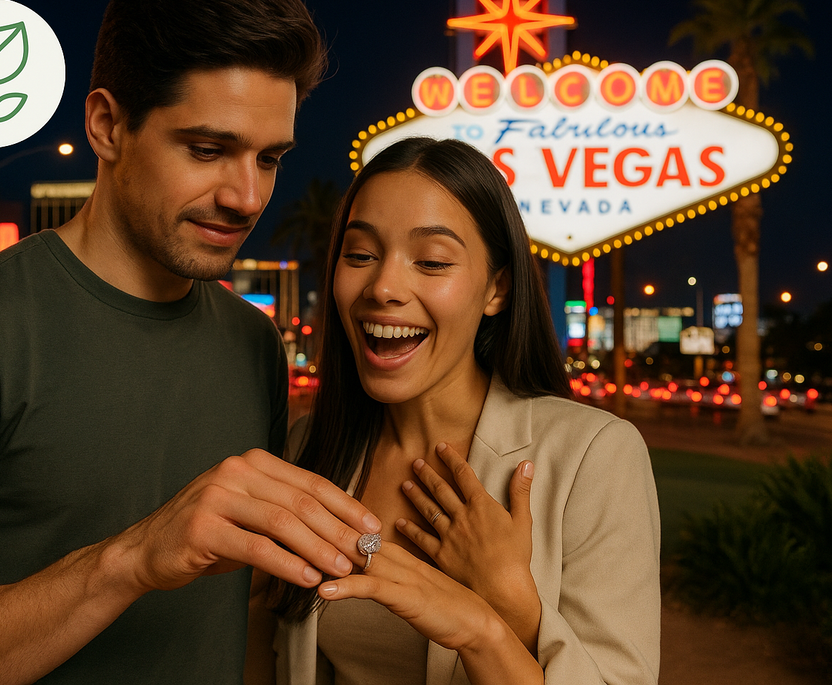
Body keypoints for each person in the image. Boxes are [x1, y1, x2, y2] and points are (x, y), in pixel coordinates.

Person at [0, 0, 382, 685]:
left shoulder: (253, 343)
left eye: (269, 158)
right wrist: (133, 558)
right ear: (107, 125)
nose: (247, 197)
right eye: (207, 149)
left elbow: (237, 621)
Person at [248, 137, 661, 684]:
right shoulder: (310, 448)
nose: (384, 286)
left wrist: (497, 618)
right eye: (361, 255)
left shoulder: (594, 458)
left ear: (497, 288)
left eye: (433, 261)